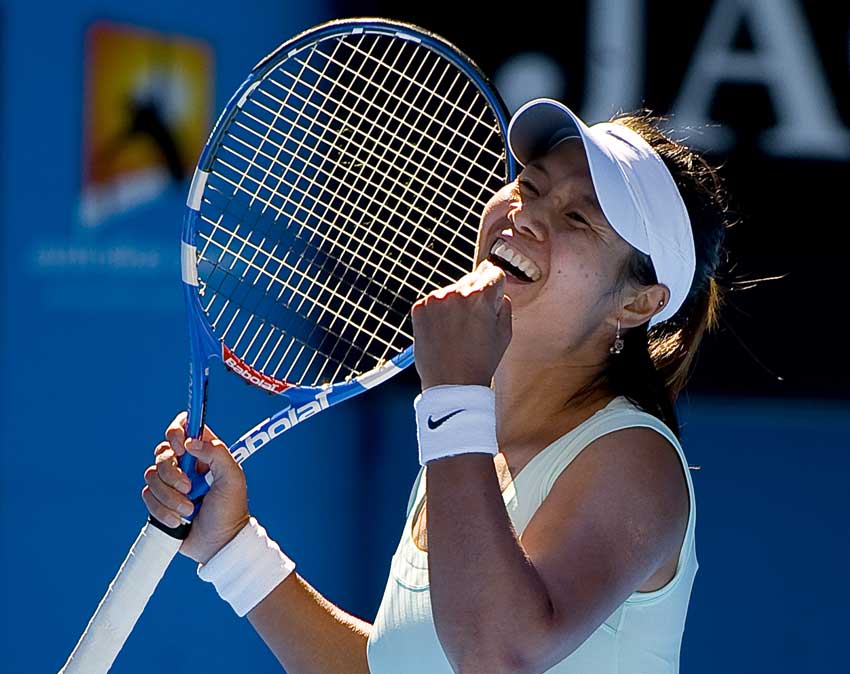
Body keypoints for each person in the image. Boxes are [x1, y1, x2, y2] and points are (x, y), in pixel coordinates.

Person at [142, 98, 729, 674]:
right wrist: (232, 546)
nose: (527, 214)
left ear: (636, 302)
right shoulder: (465, 448)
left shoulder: (633, 458)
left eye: (578, 217)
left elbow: (494, 657)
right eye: (530, 184)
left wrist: (454, 395)